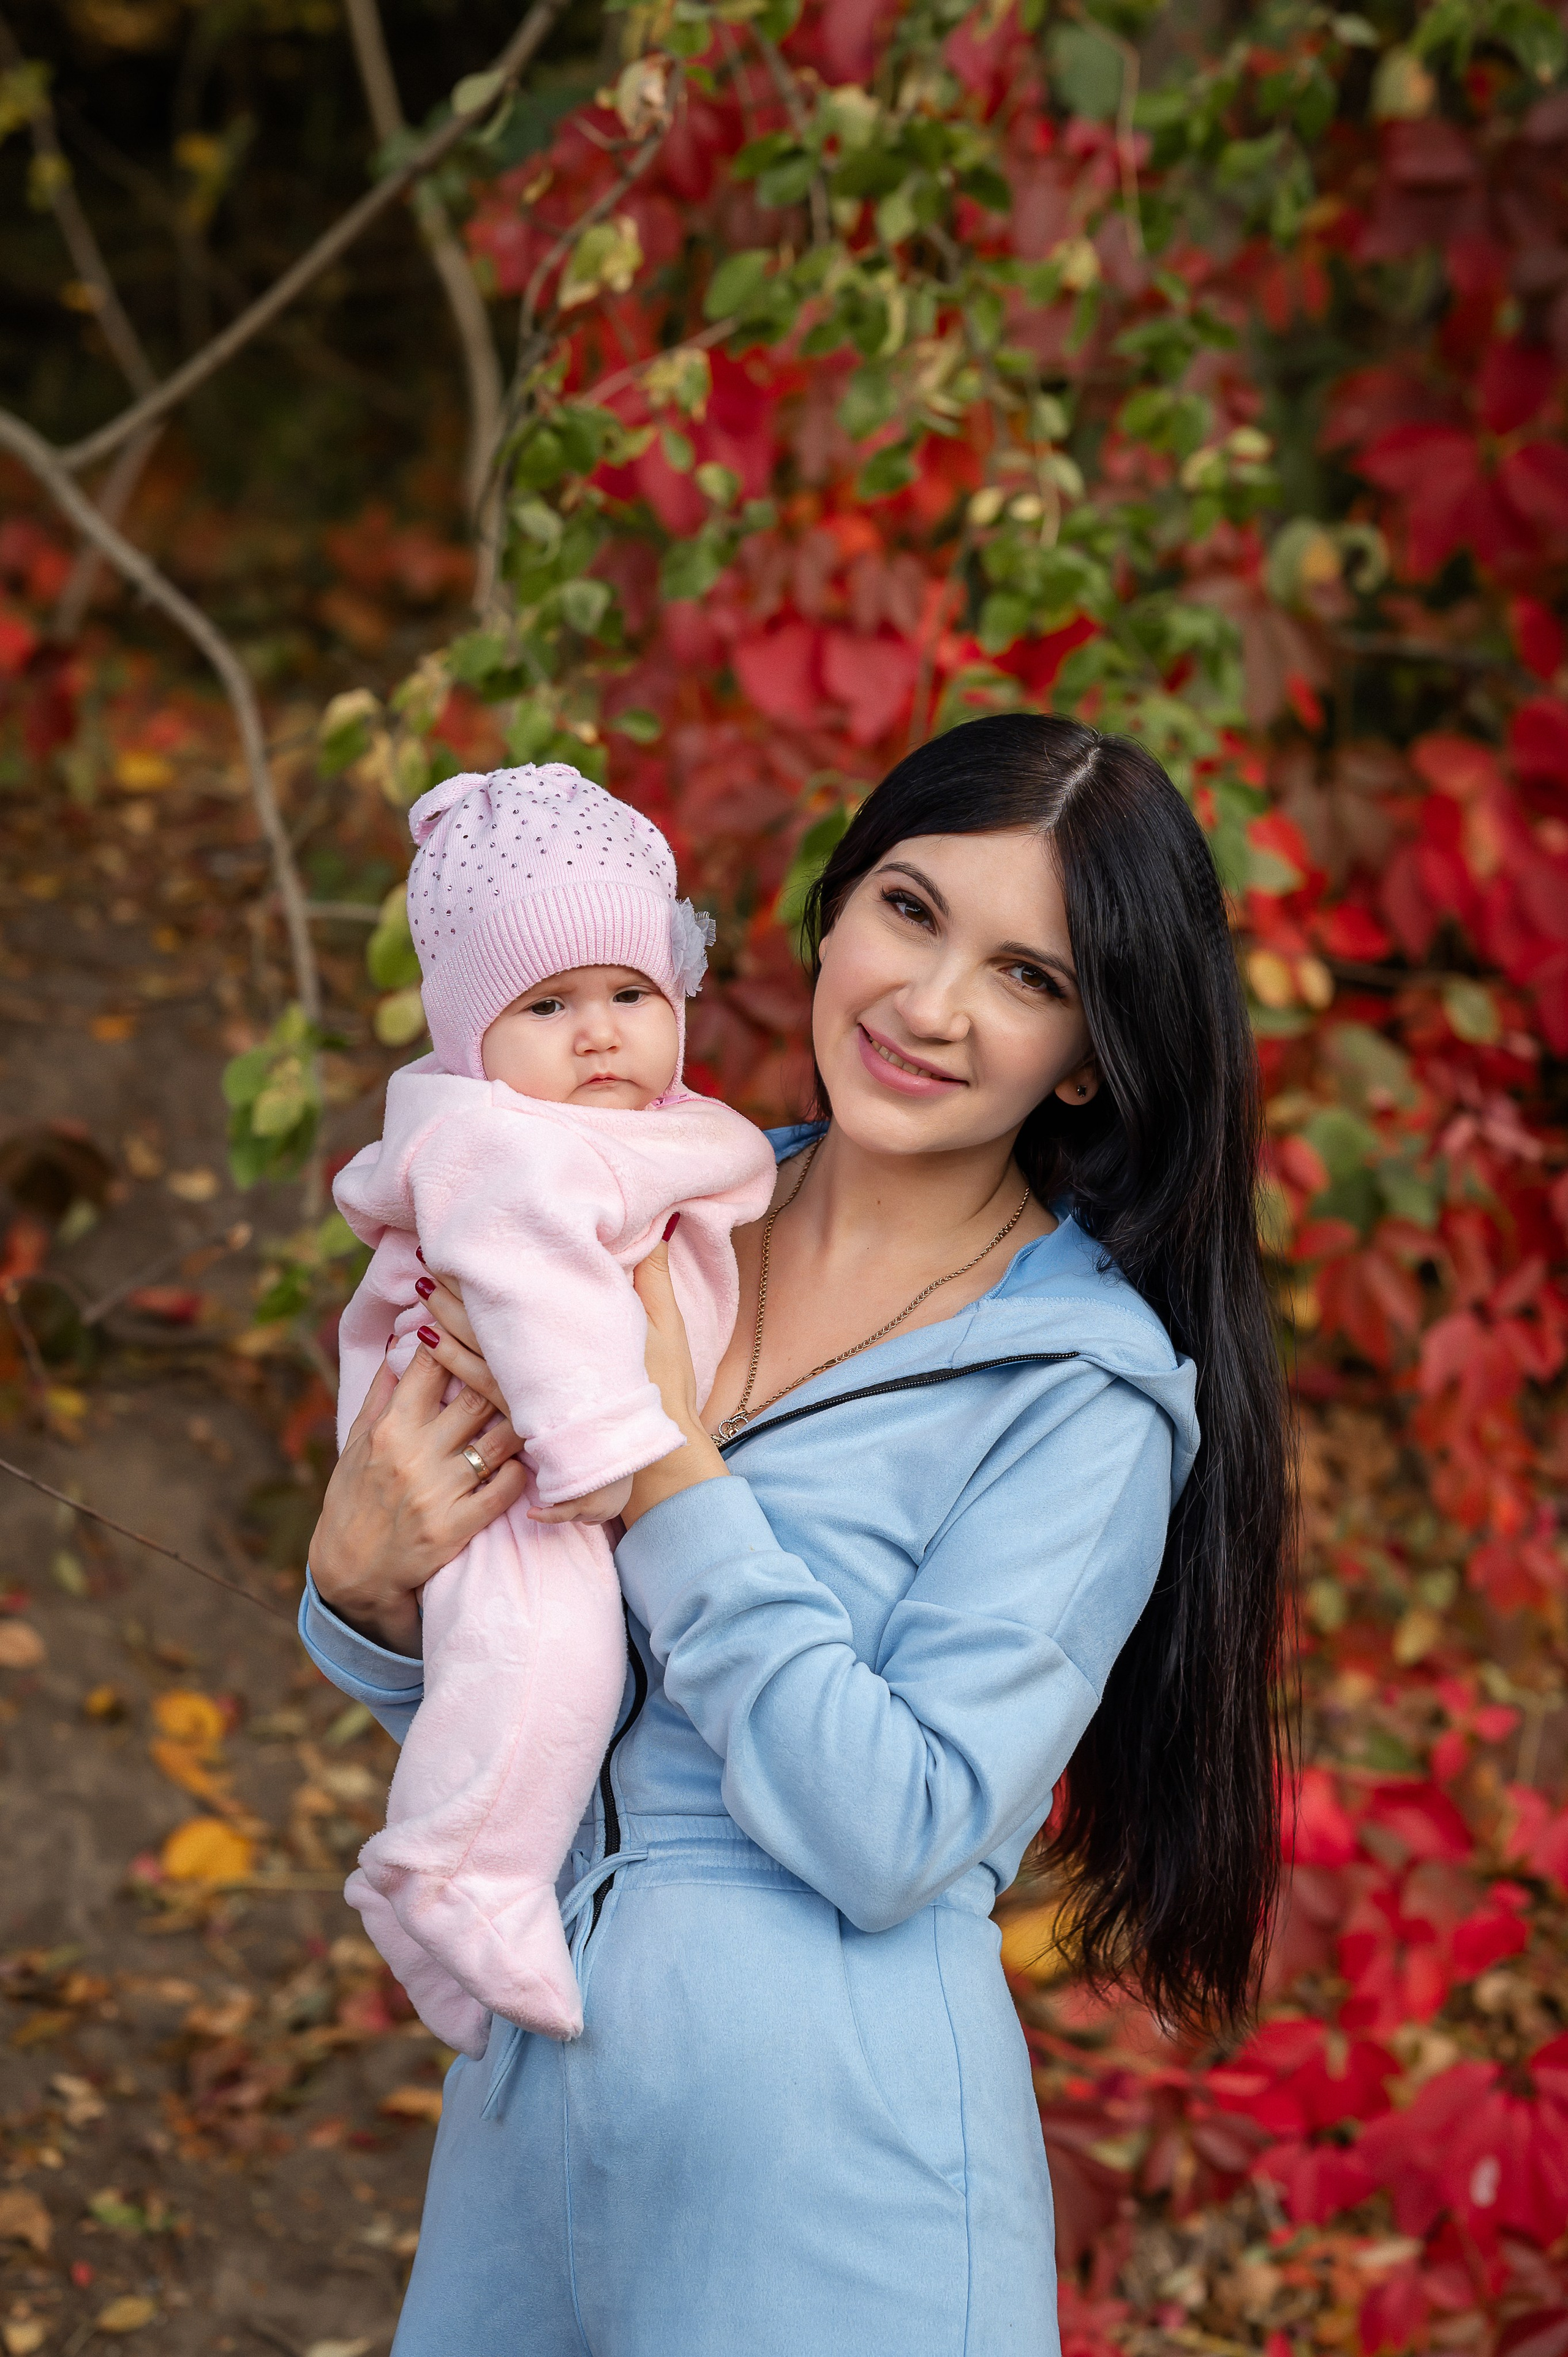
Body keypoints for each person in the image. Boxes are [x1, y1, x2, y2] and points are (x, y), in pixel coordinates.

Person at [302, 711, 1291, 2357]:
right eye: (909, 911)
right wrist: (361, 1590)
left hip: (832, 2192)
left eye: (1026, 976)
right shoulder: (635, 1216)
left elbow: (896, 1830)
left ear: (1088, 1052)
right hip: (530, 2128)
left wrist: (668, 1464)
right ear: (831, 914)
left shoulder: (1080, 1392)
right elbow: (534, 1689)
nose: (931, 1005)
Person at [331, 763, 775, 2053]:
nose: (599, 1035)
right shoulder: (507, 1146)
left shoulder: (641, 1130)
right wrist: (599, 1447)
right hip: (508, 1464)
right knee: (551, 1654)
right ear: (470, 1040)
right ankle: (458, 1873)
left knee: (536, 1672)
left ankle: (439, 1886)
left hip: (538, 1459)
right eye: (547, 1005)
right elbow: (536, 1291)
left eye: (631, 995)